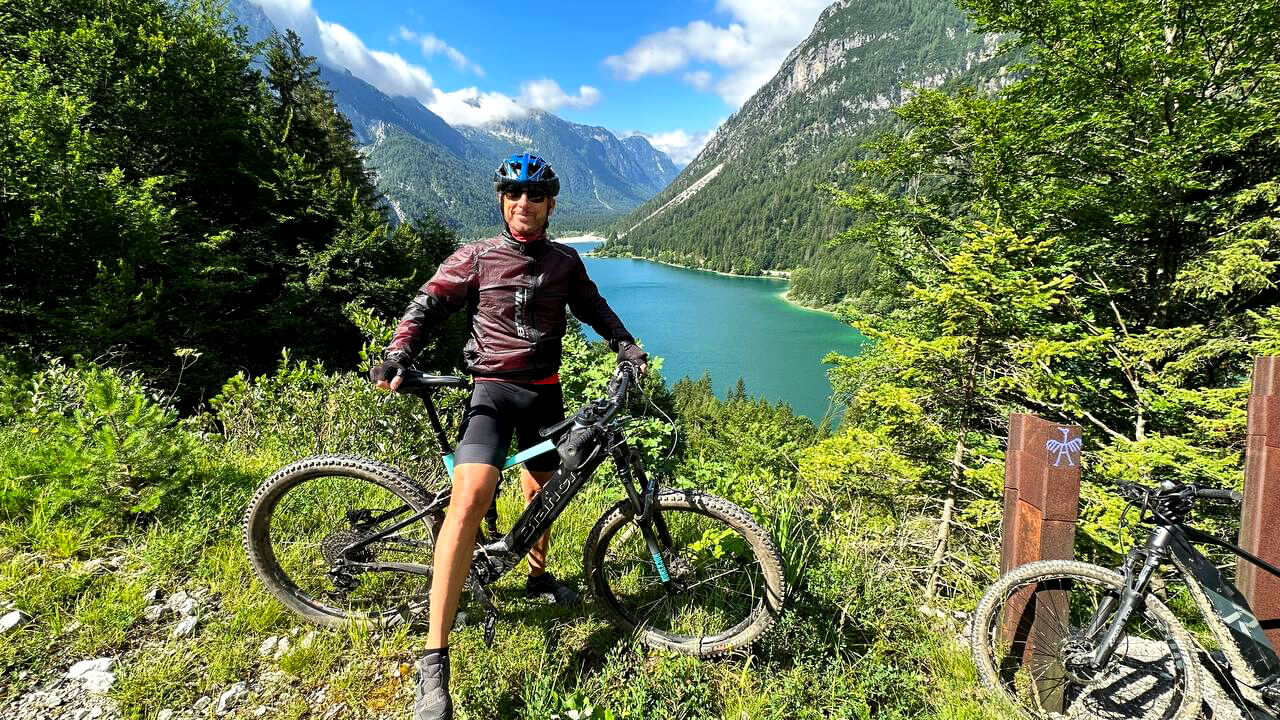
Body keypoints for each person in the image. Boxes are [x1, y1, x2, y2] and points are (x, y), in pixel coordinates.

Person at [369, 152, 648, 720]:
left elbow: (595, 308)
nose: (524, 203)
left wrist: (625, 345)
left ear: (549, 204)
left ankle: (537, 581)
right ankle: (433, 662)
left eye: (536, 196)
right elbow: (427, 304)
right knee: (470, 499)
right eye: (514, 195)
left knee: (548, 495)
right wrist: (398, 351)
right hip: (492, 393)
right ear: (503, 201)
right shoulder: (475, 258)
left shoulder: (566, 261)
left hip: (544, 393)